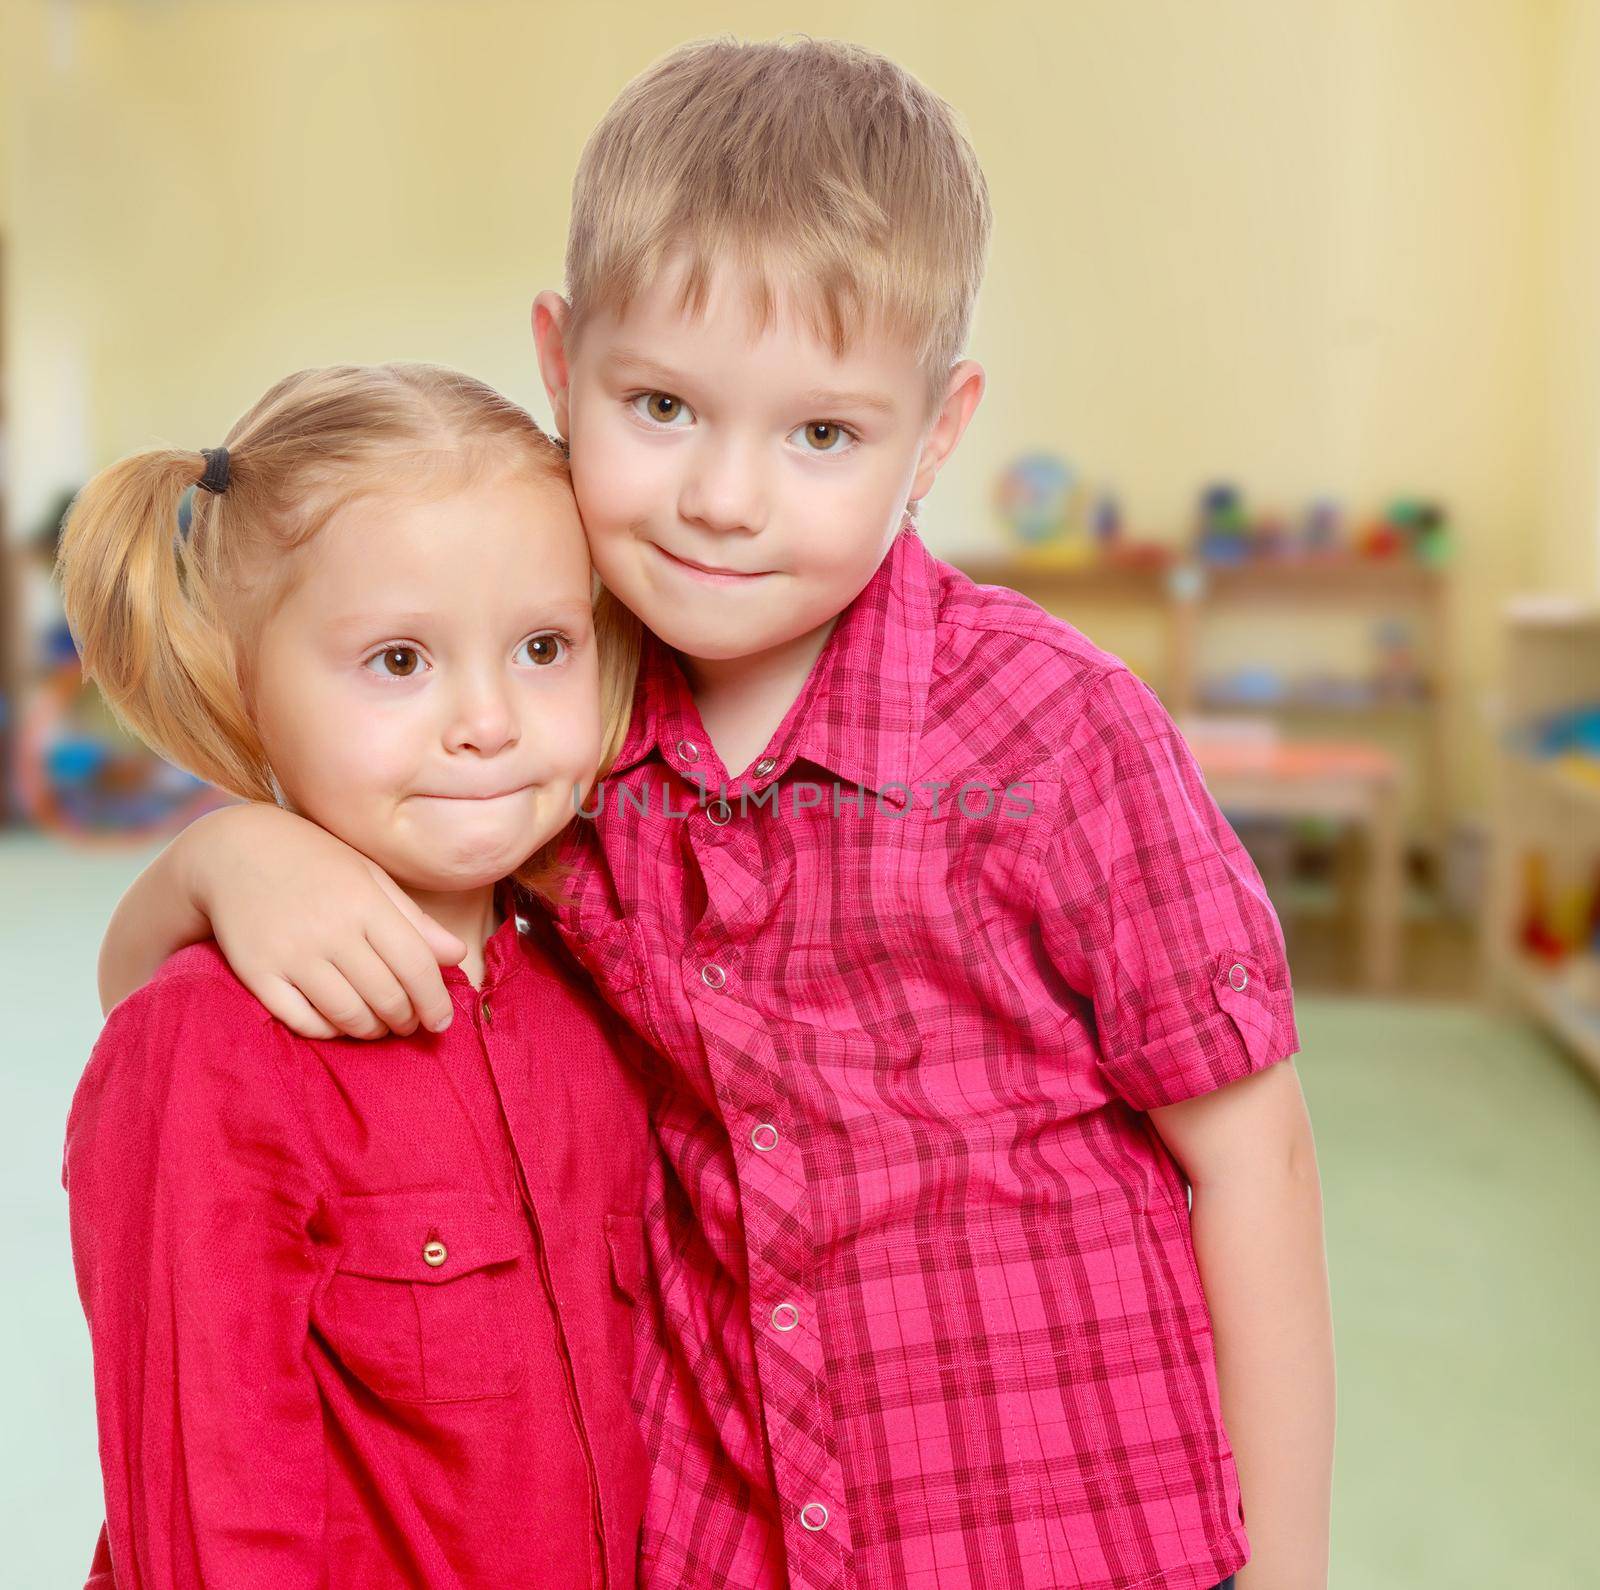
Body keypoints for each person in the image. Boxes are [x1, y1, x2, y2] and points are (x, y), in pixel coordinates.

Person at [94, 39, 1335, 1590]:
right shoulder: (564, 722)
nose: (725, 498)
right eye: (664, 406)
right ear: (560, 362)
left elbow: (1253, 1156)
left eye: (820, 433)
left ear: (936, 431)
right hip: (724, 1537)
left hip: (1058, 1533)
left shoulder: (1054, 730)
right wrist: (227, 849)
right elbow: (160, 1005)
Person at [60, 363, 652, 1588]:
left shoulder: (602, 994)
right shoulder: (206, 1046)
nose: (487, 719)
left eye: (544, 645)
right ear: (243, 683)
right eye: (398, 661)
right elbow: (209, 1519)